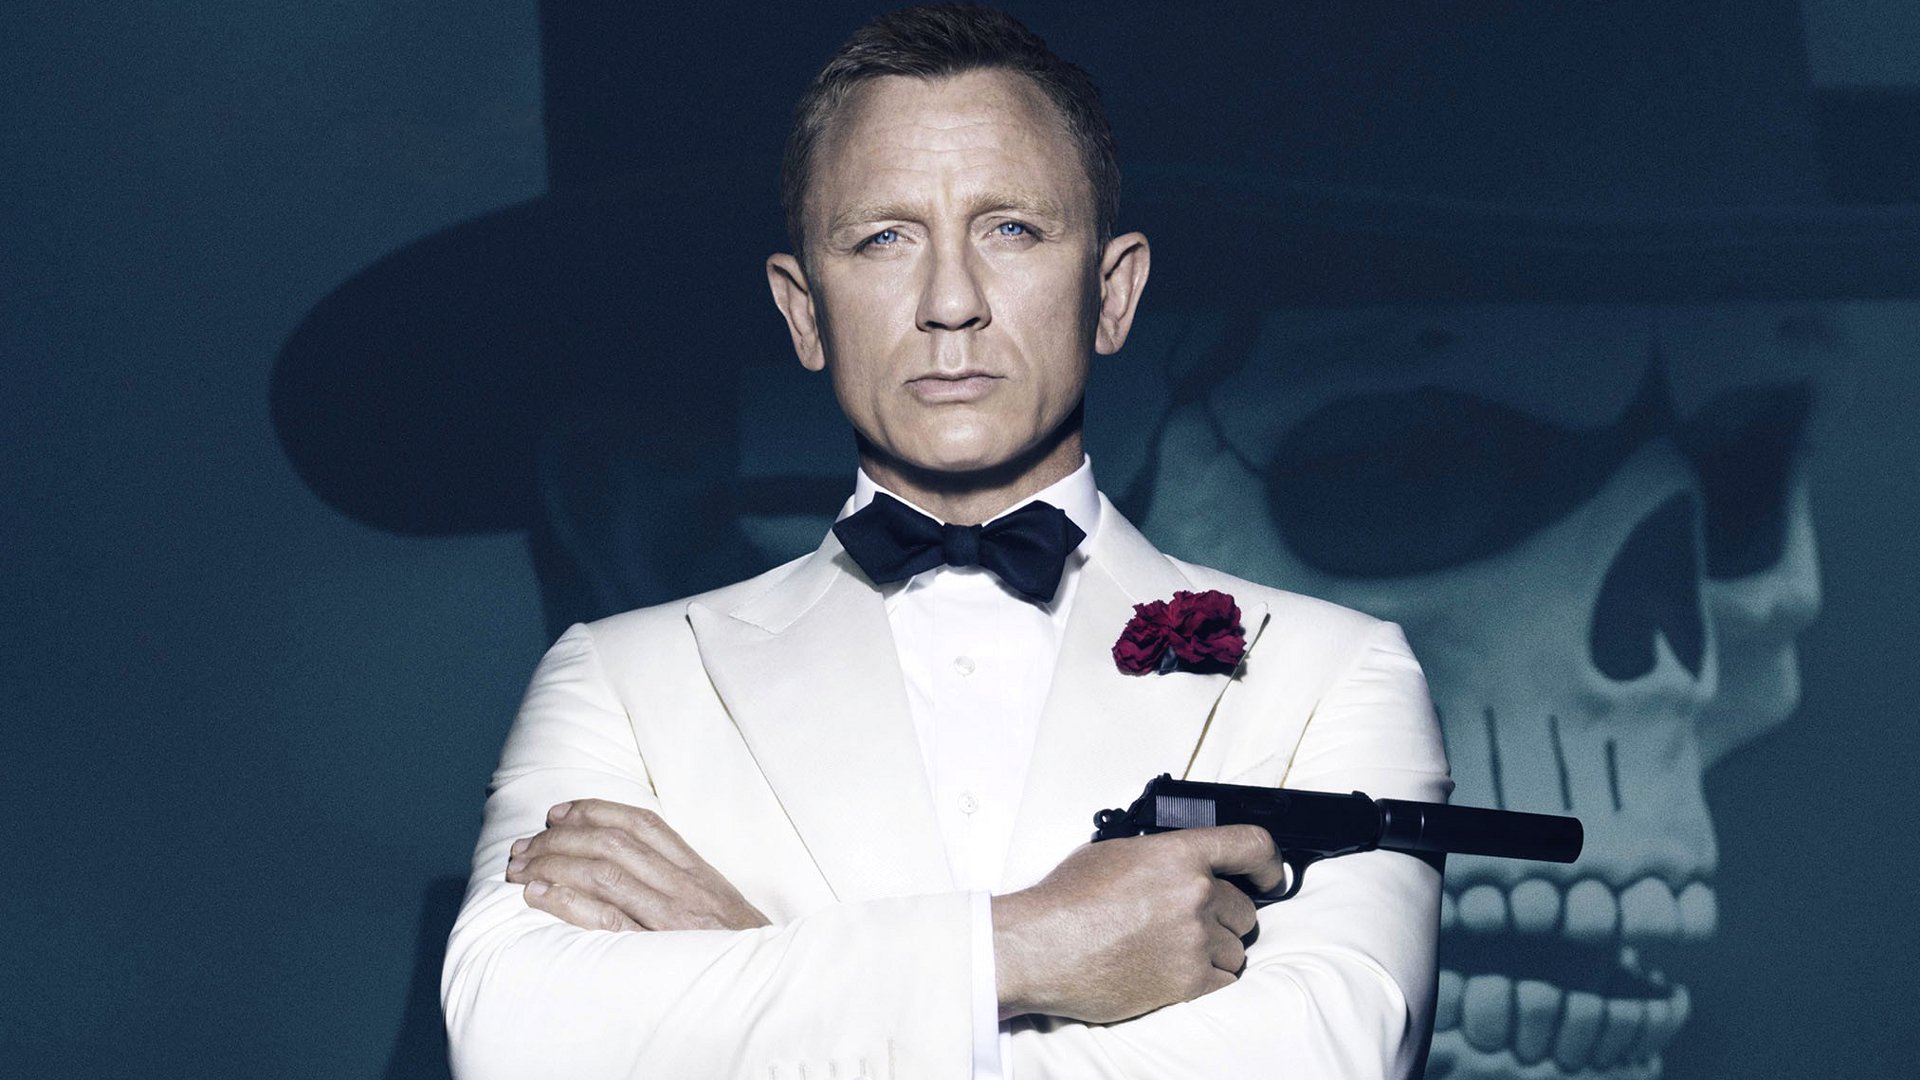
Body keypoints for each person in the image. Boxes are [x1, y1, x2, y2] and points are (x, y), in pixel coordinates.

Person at [440, 6, 1450, 1078]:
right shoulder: (619, 680)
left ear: (1112, 294)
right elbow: (514, 1043)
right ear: (804, 312)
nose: (951, 303)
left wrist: (748, 963)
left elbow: (1327, 1059)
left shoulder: (1331, 673)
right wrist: (1023, 948)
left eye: (1011, 229)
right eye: (884, 238)